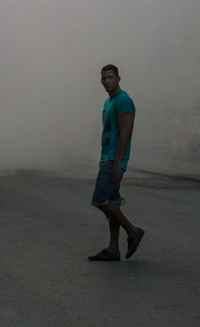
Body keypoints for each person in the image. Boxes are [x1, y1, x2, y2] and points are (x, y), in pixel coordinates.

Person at [88, 64, 145, 261]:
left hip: (114, 159)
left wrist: (117, 164)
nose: (107, 81)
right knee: (111, 202)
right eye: (104, 78)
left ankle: (133, 231)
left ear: (118, 79)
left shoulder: (123, 101)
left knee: (100, 199)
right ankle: (113, 249)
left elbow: (126, 134)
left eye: (110, 77)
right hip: (107, 157)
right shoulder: (109, 102)